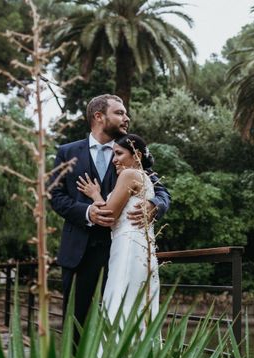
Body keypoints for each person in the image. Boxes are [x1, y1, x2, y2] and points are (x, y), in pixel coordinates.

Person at [50, 94, 170, 344]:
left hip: (123, 253)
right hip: (79, 254)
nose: (126, 118)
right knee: (77, 328)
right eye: (120, 113)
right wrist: (87, 212)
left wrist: (154, 205)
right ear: (99, 116)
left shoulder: (130, 150)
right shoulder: (67, 152)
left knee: (121, 317)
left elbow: (160, 191)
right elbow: (55, 196)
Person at [76, 134, 159, 328]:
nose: (114, 160)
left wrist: (95, 194)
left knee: (121, 301)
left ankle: (118, 355)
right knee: (136, 304)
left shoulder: (129, 175)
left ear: (136, 154)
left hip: (129, 249)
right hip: (137, 248)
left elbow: (109, 215)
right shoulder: (144, 177)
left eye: (119, 154)